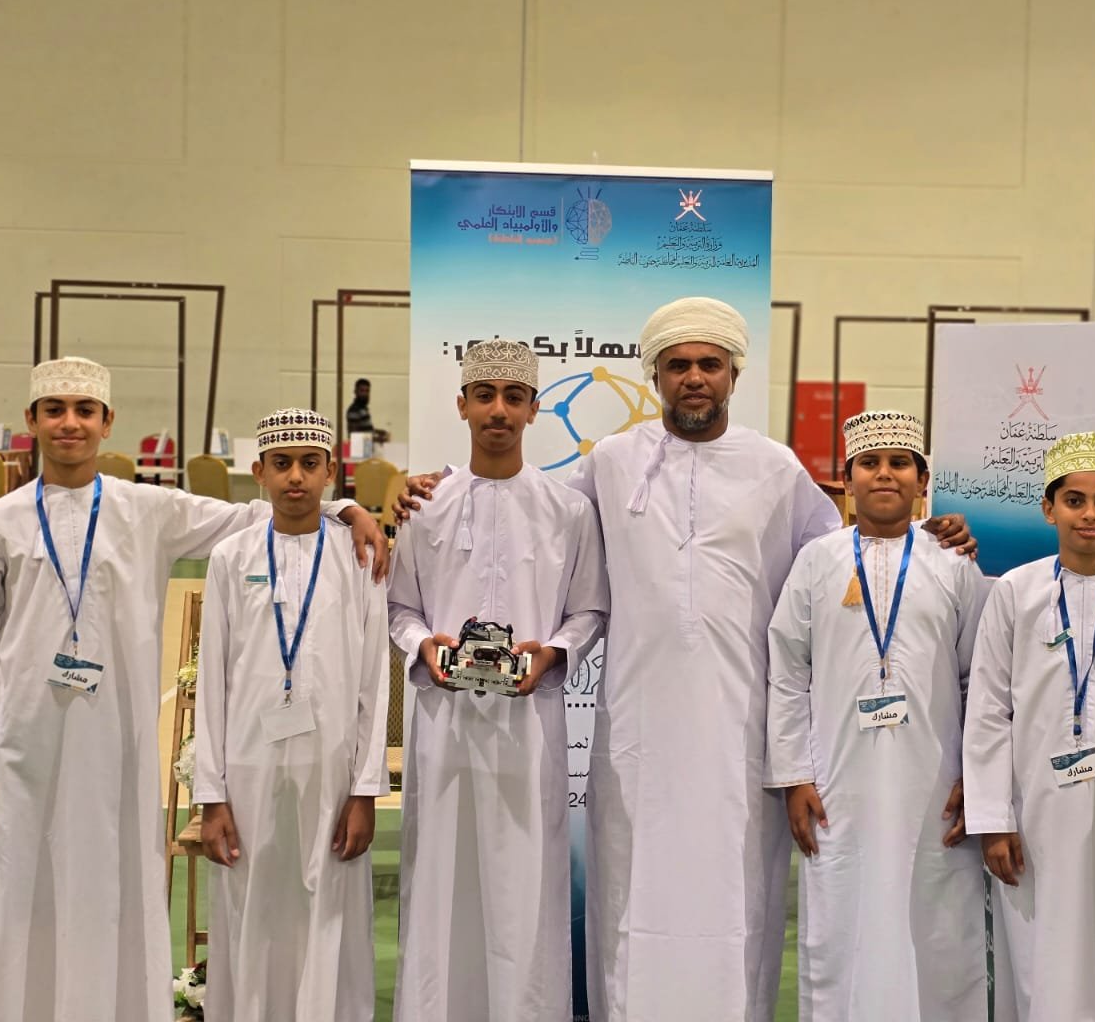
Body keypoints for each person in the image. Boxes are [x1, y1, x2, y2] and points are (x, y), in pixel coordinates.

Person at [397, 298, 974, 1021]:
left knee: (736, 905)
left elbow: (842, 562)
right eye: (677, 365)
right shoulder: (612, 462)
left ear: (734, 374)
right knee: (632, 898)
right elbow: (527, 511)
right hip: (637, 733)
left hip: (740, 734)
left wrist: (930, 535)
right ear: (656, 376)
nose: (694, 377)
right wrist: (408, 493)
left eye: (709, 364)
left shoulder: (775, 468)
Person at [0, 358, 388, 1022]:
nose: (70, 423)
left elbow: (259, 514)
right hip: (20, 746)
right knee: (20, 894)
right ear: (32, 420)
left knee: (116, 888)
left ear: (107, 423)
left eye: (85, 411)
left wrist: (345, 508)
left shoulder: (146, 508)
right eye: (55, 410)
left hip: (114, 745)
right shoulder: (0, 523)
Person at [388, 339, 608, 1022]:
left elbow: (590, 610)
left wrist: (554, 654)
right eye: (484, 396)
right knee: (440, 885)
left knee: (524, 892)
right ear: (461, 405)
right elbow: (399, 608)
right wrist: (424, 646)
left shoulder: (568, 510)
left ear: (535, 410)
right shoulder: (425, 506)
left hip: (529, 730)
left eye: (514, 398)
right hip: (443, 728)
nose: (498, 411)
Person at [766, 410, 987, 1020]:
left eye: (899, 463)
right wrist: (794, 776)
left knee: (939, 929)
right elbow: (787, 671)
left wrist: (978, 776)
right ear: (847, 479)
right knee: (843, 925)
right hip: (838, 783)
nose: (884, 474)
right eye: (870, 463)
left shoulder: (954, 563)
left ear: (923, 480)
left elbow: (981, 680)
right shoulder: (816, 561)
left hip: (936, 785)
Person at [963, 431, 1095, 1022]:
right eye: (1075, 501)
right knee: (1038, 958)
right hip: (1032, 815)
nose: (1089, 515)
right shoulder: (1014, 593)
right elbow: (988, 710)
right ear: (1049, 508)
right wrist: (993, 819)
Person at [192, 409, 391, 1021]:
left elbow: (372, 681)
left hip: (333, 766)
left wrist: (365, 790)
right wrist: (211, 795)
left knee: (329, 900)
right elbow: (212, 680)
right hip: (247, 764)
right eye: (282, 464)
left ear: (331, 472)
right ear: (259, 472)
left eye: (310, 464)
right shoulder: (230, 557)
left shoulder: (359, 557)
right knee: (249, 899)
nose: (296, 478)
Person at [346, 377, 390, 444]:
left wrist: (378, 432)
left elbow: (366, 431)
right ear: (355, 392)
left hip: (366, 447)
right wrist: (377, 439)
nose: (365, 394)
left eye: (367, 391)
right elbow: (355, 435)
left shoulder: (363, 409)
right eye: (362, 391)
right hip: (359, 448)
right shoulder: (354, 410)